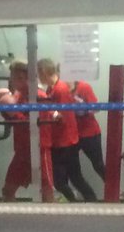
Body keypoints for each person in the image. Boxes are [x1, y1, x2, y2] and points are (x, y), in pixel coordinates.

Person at [36, 58, 97, 202]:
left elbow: (63, 117)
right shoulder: (53, 89)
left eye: (39, 73)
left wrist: (50, 112)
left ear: (44, 72)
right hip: (62, 141)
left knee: (67, 180)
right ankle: (83, 201)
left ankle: (87, 202)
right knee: (68, 179)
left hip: (66, 142)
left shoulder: (60, 89)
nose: (38, 77)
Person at [0, 59, 54, 201]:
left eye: (20, 78)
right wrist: (5, 112)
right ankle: (10, 222)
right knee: (8, 190)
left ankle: (53, 222)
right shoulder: (18, 95)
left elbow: (37, 123)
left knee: (47, 190)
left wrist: (13, 113)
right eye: (13, 77)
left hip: (39, 148)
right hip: (22, 149)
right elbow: (14, 121)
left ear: (29, 78)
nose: (15, 81)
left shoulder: (39, 96)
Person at [70, 76, 106, 187]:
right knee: (71, 169)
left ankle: (113, 193)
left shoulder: (83, 87)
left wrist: (84, 109)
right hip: (70, 134)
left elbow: (96, 108)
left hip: (89, 133)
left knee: (98, 165)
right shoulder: (58, 88)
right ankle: (81, 198)